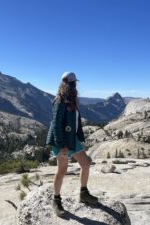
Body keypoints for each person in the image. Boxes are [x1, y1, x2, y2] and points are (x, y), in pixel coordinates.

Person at [46, 72, 98, 217]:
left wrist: (79, 137)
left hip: (72, 138)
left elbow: (74, 120)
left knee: (86, 163)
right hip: (61, 140)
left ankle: (83, 193)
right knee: (62, 170)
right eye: (71, 83)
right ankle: (56, 200)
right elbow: (56, 124)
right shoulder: (59, 101)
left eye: (74, 84)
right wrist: (61, 145)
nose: (73, 86)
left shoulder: (71, 99)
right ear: (65, 84)